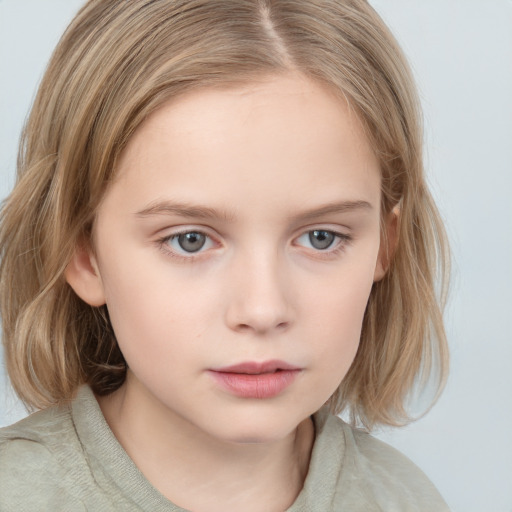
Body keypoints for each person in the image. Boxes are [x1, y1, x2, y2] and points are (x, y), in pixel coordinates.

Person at [0, 0, 451, 510]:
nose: (262, 310)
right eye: (189, 240)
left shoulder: (404, 499)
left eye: (321, 237)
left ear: (383, 247)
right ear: (83, 254)